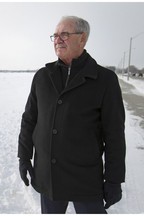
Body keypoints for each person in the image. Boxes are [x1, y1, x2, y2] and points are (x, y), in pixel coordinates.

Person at [18, 16, 126, 214]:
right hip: (48, 178)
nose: (58, 39)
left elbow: (115, 135)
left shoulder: (105, 80)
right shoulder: (42, 76)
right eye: (56, 35)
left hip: (85, 180)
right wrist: (24, 157)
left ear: (82, 39)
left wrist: (114, 179)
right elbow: (29, 120)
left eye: (65, 35)